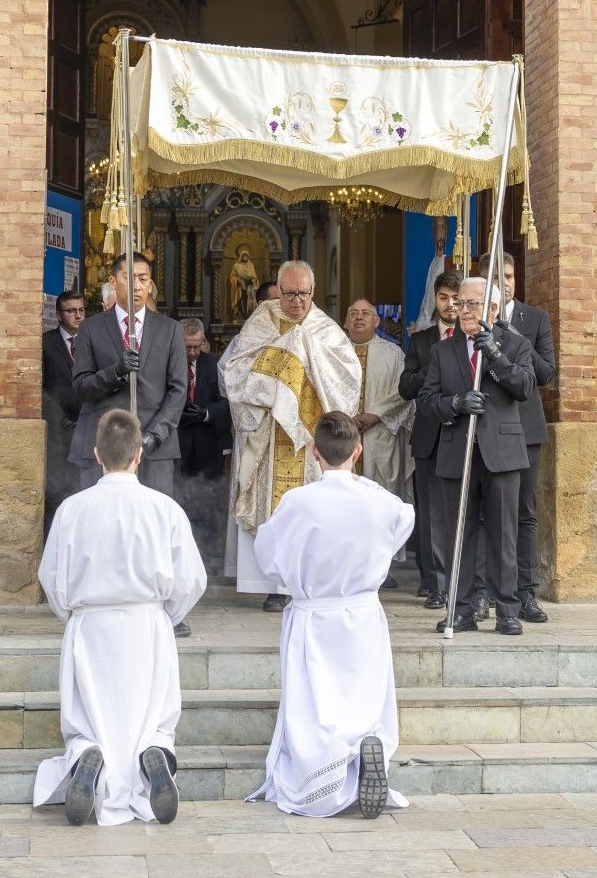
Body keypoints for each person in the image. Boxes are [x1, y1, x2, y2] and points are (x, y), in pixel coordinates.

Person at [33, 409, 207, 827]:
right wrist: (164, 616)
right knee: (154, 715)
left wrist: (74, 615)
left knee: (87, 717)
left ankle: (87, 755)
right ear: (139, 455)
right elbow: (191, 580)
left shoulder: (73, 509)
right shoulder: (164, 508)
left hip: (91, 627)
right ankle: (155, 754)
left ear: (96, 454)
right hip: (147, 627)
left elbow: (51, 576)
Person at [248, 412, 413, 820]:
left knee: (316, 706)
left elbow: (268, 558)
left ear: (315, 454)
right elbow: (403, 521)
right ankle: (364, 750)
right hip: (362, 613)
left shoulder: (299, 502)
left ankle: (325, 772)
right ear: (357, 452)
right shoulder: (381, 501)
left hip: (314, 614)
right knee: (362, 695)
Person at [220, 260, 360, 612]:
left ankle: (307, 580)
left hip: (309, 438)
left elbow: (348, 377)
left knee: (309, 513)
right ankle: (273, 583)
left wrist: (304, 357)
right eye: (289, 293)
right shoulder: (260, 321)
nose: (297, 301)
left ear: (313, 291)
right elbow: (235, 370)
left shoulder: (325, 329)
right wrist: (286, 358)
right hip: (268, 435)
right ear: (277, 291)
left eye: (304, 293)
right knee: (272, 509)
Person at [418, 277, 536, 636]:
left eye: (472, 304)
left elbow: (525, 387)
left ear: (493, 309)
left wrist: (495, 355)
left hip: (501, 453)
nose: (463, 310)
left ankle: (506, 610)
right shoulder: (443, 350)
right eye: (460, 304)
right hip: (458, 450)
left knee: (503, 534)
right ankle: (462, 608)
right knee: (460, 534)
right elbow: (425, 401)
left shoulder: (515, 344)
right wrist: (454, 403)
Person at [478, 252, 556, 624]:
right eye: (495, 275)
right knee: (481, 513)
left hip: (524, 430)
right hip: (484, 428)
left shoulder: (534, 319)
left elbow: (545, 374)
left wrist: (512, 340)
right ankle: (480, 594)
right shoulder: (472, 320)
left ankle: (526, 594)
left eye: (508, 275)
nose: (504, 281)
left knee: (524, 513)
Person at [70, 253, 187, 494]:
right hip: (104, 444)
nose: (137, 286)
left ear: (151, 284)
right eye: (129, 278)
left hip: (154, 447)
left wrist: (155, 434)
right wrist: (115, 372)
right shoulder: (91, 328)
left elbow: (178, 389)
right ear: (113, 282)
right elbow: (81, 387)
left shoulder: (170, 329)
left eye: (143, 279)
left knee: (152, 522)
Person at [400, 269, 461, 606]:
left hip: (462, 434)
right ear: (436, 300)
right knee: (429, 514)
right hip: (428, 438)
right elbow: (405, 388)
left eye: (455, 298)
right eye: (443, 298)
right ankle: (434, 584)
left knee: (461, 509)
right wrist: (434, 364)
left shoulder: (470, 337)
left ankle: (462, 581)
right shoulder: (422, 341)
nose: (450, 304)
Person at [342, 300, 412, 497]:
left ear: (377, 321)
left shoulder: (393, 354)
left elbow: (403, 391)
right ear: (346, 322)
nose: (359, 317)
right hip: (344, 434)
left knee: (382, 496)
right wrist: (349, 416)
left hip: (381, 434)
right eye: (353, 313)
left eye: (365, 313)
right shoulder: (334, 353)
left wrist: (375, 414)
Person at [177, 320, 231, 559]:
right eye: (187, 347)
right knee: (179, 497)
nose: (192, 353)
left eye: (197, 346)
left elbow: (227, 402)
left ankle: (206, 554)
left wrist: (207, 413)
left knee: (207, 500)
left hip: (207, 443)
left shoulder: (212, 363)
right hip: (178, 442)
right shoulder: (171, 361)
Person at [42, 290, 87, 528]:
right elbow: (40, 388)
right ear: (59, 315)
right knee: (58, 491)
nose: (78, 316)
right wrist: (59, 418)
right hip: (59, 431)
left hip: (87, 428)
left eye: (81, 310)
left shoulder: (91, 340)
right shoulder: (46, 343)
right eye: (71, 311)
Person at [228, 248, 259, 321]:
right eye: (243, 256)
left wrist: (253, 280)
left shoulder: (251, 265)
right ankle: (240, 316)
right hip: (240, 288)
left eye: (246, 256)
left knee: (250, 302)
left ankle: (249, 316)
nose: (245, 257)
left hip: (250, 287)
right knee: (241, 301)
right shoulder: (236, 266)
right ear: (241, 256)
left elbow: (254, 277)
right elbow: (232, 276)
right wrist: (238, 280)